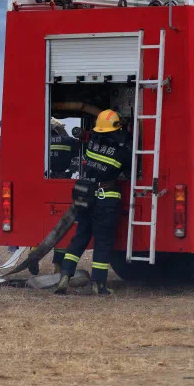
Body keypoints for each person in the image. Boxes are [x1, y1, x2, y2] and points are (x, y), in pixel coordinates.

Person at [53, 109, 131, 296]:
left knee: (80, 237)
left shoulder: (90, 147)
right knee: (103, 242)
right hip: (106, 200)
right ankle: (99, 284)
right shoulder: (121, 153)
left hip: (86, 197)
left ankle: (65, 274)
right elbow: (128, 170)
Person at [48, 118, 81, 272]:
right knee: (62, 224)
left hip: (46, 182)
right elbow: (79, 155)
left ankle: (33, 252)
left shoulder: (42, 141)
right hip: (63, 183)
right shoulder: (69, 140)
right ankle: (58, 264)